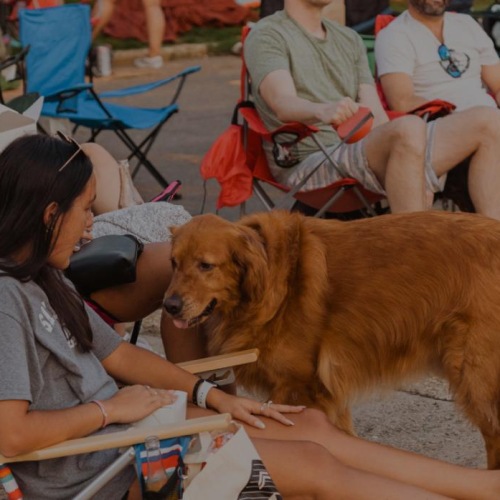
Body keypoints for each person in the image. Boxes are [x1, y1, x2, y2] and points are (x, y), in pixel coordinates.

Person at [4, 135, 500, 499]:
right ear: (50, 215)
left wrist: (215, 396)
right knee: (314, 463)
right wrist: (112, 411)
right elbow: (11, 435)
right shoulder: (7, 299)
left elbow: (120, 353)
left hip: (134, 431)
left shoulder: (46, 281)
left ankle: (483, 487)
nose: (93, 224)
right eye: (85, 210)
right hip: (107, 470)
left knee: (313, 425)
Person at [243, 0, 500, 219]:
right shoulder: (268, 34)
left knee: (488, 119)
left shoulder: (349, 39)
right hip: (312, 158)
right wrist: (320, 110)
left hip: (362, 149)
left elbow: (376, 115)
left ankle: (494, 246)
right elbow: (281, 101)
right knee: (409, 128)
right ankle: (417, 261)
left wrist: (416, 157)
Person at [374, 0, 500, 215]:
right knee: (490, 122)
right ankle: (494, 234)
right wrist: (458, 112)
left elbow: (497, 84)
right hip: (441, 125)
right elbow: (401, 101)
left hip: (489, 119)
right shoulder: (395, 35)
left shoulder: (466, 24)